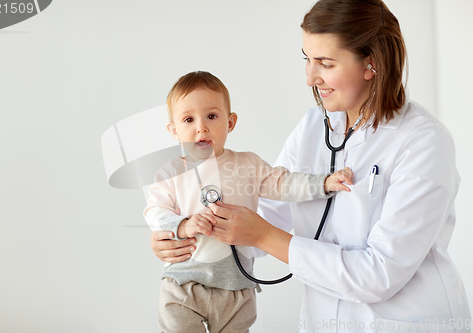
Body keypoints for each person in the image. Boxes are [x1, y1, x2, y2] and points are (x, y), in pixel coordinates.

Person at [150, 1, 472, 332]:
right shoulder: (313, 126)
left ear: (371, 63)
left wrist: (262, 235)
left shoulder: (423, 142)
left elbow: (378, 275)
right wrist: (181, 232)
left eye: (325, 63)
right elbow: (265, 212)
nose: (310, 78)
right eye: (307, 58)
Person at [144, 71, 353, 333]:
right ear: (174, 130)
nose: (201, 127)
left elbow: (283, 183)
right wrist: (182, 225)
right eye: (188, 119)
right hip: (184, 283)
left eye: (211, 116)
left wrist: (322, 184)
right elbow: (155, 212)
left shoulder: (248, 165)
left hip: (236, 285)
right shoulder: (170, 172)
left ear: (230, 122)